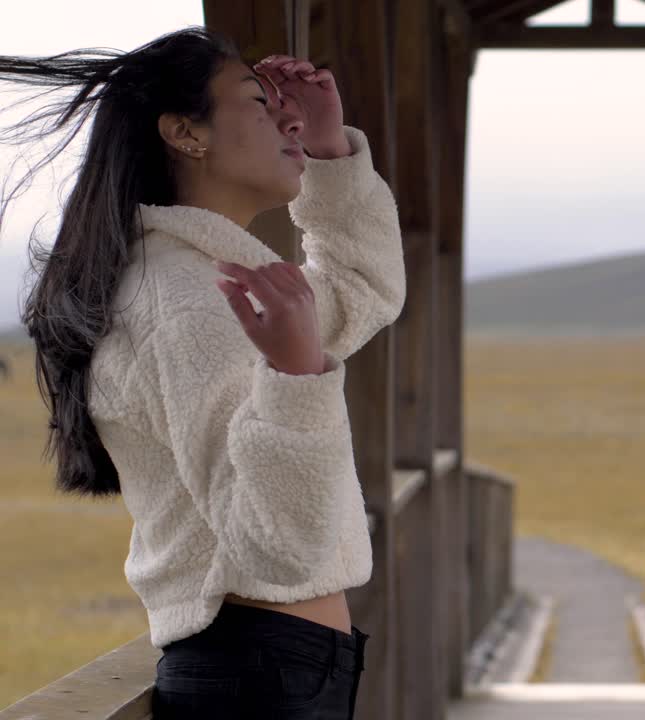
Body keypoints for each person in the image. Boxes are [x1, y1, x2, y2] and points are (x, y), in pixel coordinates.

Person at [0, 26, 406, 719]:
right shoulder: (190, 305)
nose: (288, 116)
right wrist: (297, 373)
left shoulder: (205, 281)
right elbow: (278, 547)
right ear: (186, 134)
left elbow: (363, 292)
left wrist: (330, 152)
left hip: (269, 668)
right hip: (260, 675)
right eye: (257, 100)